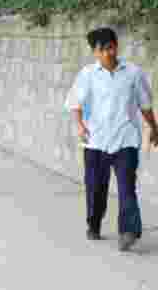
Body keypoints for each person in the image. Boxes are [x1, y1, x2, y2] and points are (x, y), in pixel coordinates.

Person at [67, 26, 158, 251]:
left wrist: (154, 127)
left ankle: (129, 231)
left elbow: (145, 104)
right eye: (103, 49)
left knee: (127, 188)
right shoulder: (87, 75)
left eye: (111, 47)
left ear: (116, 46)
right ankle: (94, 223)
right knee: (96, 188)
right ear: (95, 52)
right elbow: (75, 103)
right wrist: (80, 125)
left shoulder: (133, 73)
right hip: (96, 140)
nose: (108, 52)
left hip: (125, 139)